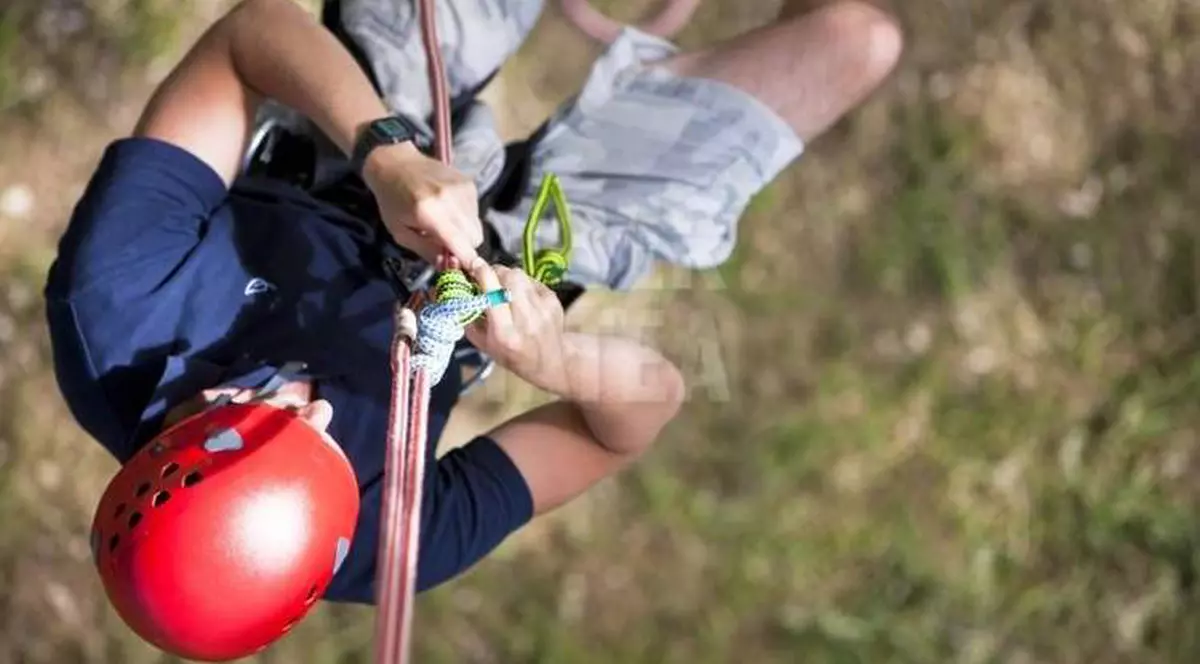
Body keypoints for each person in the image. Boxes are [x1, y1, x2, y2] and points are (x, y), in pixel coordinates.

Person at [44, 0, 901, 645]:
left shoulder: (115, 311)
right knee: (853, 39)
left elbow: (245, 40)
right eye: (327, 449)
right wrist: (557, 359)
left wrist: (385, 153)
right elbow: (640, 415)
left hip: (354, 139)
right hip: (526, 262)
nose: (322, 410)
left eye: (270, 411)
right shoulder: (390, 542)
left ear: (188, 421)